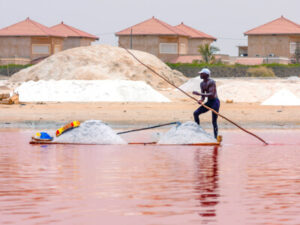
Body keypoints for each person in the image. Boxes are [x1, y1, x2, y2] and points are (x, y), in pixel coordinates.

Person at [192, 68, 220, 138]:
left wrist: (199, 93)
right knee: (196, 113)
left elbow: (212, 94)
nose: (200, 75)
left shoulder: (212, 82)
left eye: (201, 74)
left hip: (215, 102)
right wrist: (201, 100)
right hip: (209, 102)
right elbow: (203, 96)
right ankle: (198, 131)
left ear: (206, 75)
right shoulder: (202, 83)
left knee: (214, 121)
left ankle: (215, 138)